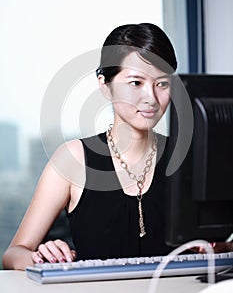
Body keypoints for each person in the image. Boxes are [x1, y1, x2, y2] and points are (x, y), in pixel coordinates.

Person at [2, 23, 179, 270]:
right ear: (105, 86)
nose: (150, 96)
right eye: (136, 83)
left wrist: (221, 248)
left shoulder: (187, 158)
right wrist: (40, 257)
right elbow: (12, 254)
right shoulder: (72, 160)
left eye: (162, 83)